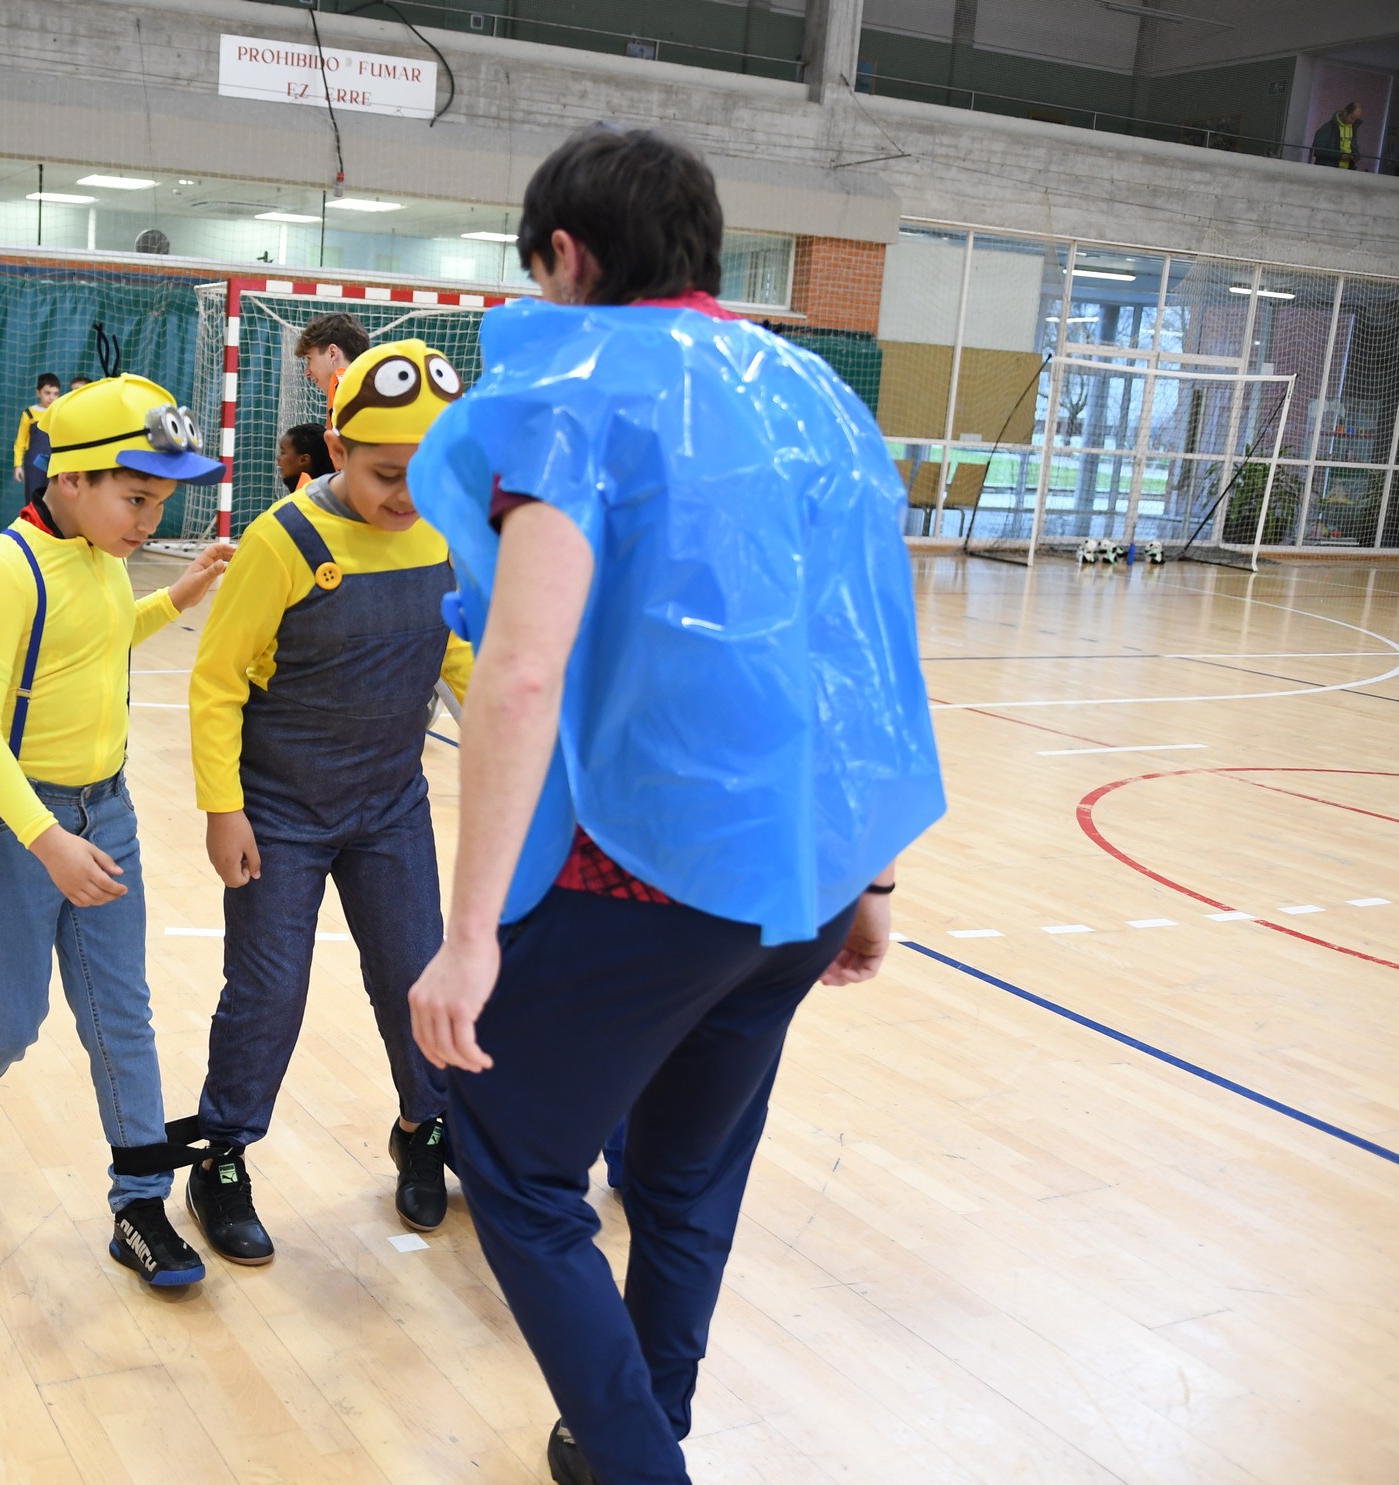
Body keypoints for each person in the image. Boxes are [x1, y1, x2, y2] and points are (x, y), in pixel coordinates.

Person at [404, 125, 946, 1485]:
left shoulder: (569, 391)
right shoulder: (816, 395)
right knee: (684, 1178)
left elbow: (520, 675)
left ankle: (641, 1463)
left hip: (648, 879)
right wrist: (871, 878)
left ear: (565, 255)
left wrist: (466, 937)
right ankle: (636, 1432)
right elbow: (864, 651)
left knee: (516, 1166)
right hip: (806, 878)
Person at [0, 374, 234, 1290]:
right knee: (8, 1020)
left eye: (159, 502)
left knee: (119, 1015)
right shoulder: (3, 570)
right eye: (136, 499)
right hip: (10, 825)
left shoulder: (102, 556)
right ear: (69, 479)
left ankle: (139, 1204)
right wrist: (44, 838)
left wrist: (173, 599)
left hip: (108, 811)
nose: (148, 520)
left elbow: (94, 639)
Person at [182, 340, 475, 1266]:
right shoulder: (283, 541)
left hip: (390, 807)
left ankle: (424, 1127)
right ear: (338, 448)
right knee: (268, 992)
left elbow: (456, 652)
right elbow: (216, 681)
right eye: (387, 474)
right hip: (279, 813)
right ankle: (221, 1156)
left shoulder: (443, 532)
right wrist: (222, 807)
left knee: (416, 977)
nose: (408, 495)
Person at [293, 312, 372, 412]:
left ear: (332, 353)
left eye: (309, 359)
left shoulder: (359, 407)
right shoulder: (369, 394)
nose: (307, 373)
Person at [12, 372, 62, 496]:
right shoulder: (29, 414)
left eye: (55, 394)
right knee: (33, 496)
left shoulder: (59, 413)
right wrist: (18, 465)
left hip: (54, 463)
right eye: (47, 393)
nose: (51, 397)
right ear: (38, 392)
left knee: (52, 498)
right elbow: (20, 441)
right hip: (33, 463)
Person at [275, 421, 334, 493]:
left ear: (303, 460)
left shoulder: (307, 496)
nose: (278, 458)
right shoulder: (332, 490)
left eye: (283, 452)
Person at [1312, 101, 1363, 168]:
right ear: (1345, 113)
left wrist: (1356, 155)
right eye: (1352, 118)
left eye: (1356, 119)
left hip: (1347, 169)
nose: (1353, 122)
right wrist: (1340, 155)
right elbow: (1317, 150)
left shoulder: (1353, 129)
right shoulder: (1327, 128)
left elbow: (1354, 147)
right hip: (1329, 169)